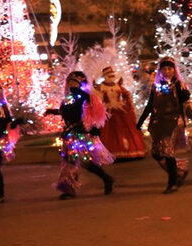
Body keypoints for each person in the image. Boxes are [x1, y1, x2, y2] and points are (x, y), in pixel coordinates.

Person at [46, 71, 115, 199]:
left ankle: (106, 178)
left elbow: (96, 111)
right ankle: (69, 189)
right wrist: (53, 112)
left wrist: (95, 128)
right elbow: (67, 113)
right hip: (69, 135)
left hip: (81, 134)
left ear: (81, 84)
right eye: (70, 82)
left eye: (75, 82)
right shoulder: (68, 98)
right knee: (70, 162)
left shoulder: (85, 96)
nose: (72, 84)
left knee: (85, 162)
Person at [137, 58, 192, 193]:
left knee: (168, 152)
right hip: (159, 123)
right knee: (156, 153)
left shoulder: (178, 85)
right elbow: (150, 105)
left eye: (169, 69)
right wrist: (140, 121)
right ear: (160, 71)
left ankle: (172, 182)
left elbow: (187, 104)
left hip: (174, 122)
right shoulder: (156, 86)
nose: (167, 71)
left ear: (174, 70)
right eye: (164, 69)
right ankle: (179, 170)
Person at [95, 66, 146, 159]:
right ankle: (113, 152)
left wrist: (128, 105)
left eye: (112, 75)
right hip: (108, 111)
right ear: (105, 76)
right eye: (109, 75)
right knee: (110, 130)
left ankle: (131, 150)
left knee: (126, 128)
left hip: (121, 110)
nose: (111, 77)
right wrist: (102, 107)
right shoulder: (101, 87)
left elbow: (127, 94)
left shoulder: (118, 86)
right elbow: (98, 100)